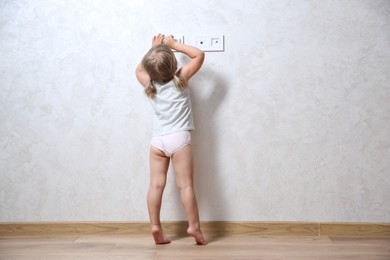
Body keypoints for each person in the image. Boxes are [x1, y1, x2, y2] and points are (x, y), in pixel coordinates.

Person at [135, 34, 206, 245]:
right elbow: (199, 55)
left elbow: (138, 70)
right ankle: (194, 227)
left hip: (158, 141)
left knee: (155, 186)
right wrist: (174, 45)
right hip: (179, 139)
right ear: (173, 64)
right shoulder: (181, 78)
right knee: (185, 186)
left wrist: (152, 50)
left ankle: (155, 226)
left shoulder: (150, 84)